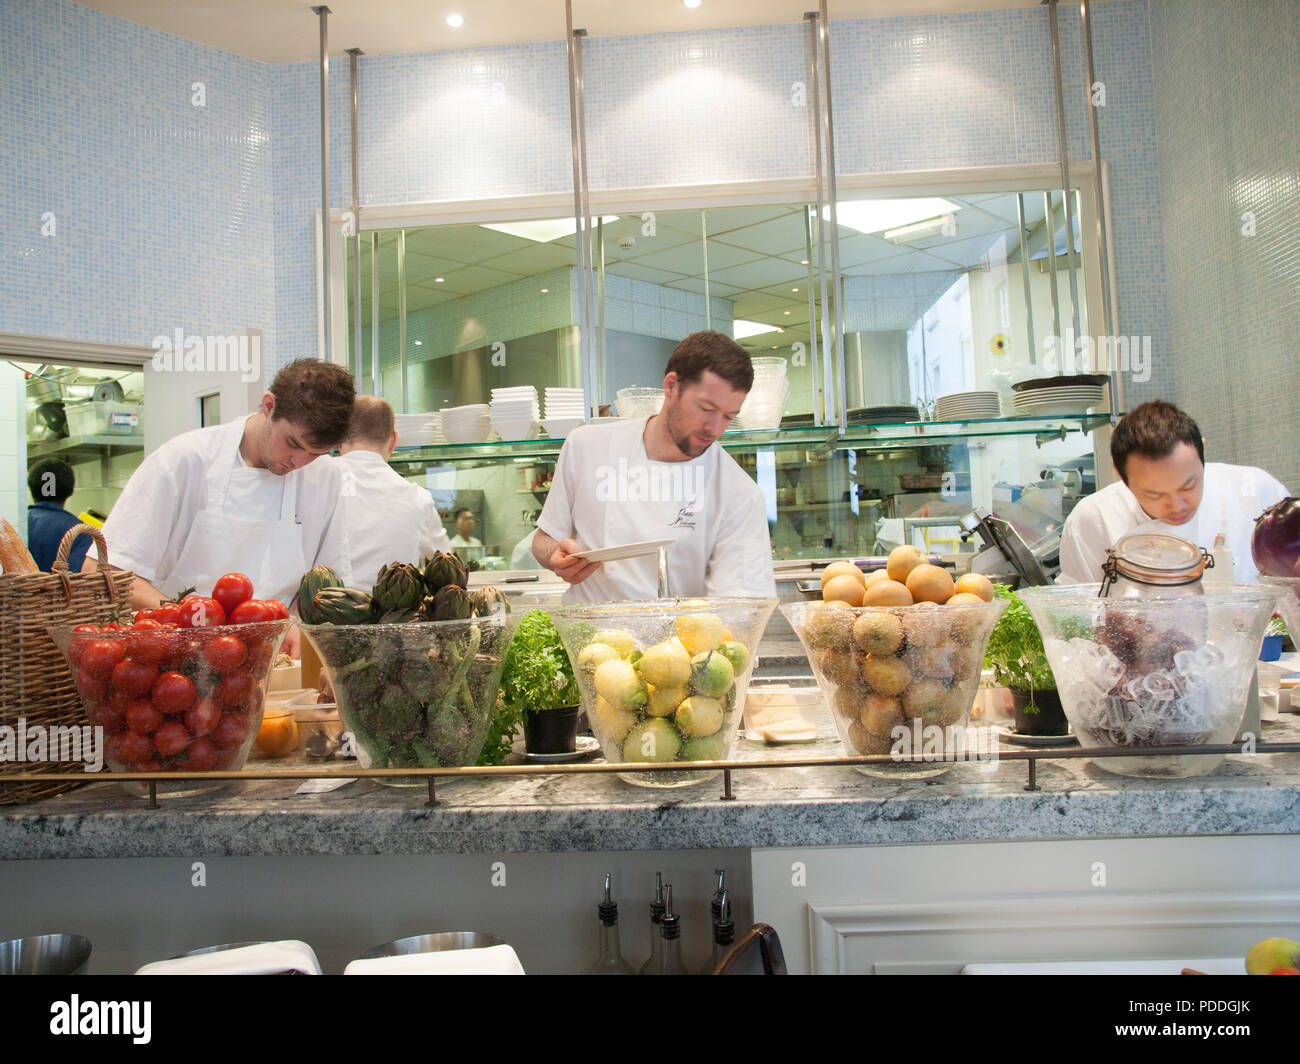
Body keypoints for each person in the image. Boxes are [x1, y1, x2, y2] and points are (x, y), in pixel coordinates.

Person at [93, 361, 357, 649]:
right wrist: (191, 621)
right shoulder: (185, 460)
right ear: (269, 406)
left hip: (274, 661)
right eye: (292, 443)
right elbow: (103, 570)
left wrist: (295, 623)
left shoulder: (327, 477)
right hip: (178, 654)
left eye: (314, 453)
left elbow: (326, 584)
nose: (299, 462)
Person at [533, 329, 778, 602]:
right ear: (671, 386)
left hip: (676, 643)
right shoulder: (586, 446)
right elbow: (543, 540)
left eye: (728, 417)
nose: (714, 428)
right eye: (706, 409)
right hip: (589, 639)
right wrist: (555, 555)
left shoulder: (740, 494)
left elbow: (740, 607)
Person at [1058, 400, 1288, 584]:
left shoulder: (1256, 491)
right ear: (1120, 474)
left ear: (1203, 453)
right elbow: (1080, 622)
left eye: (1189, 486)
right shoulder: (1093, 520)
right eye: (1154, 495)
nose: (1177, 506)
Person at [334, 395, 452, 589]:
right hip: (393, 616)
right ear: (393, 440)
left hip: (319, 614)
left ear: (339, 439)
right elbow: (446, 562)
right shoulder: (418, 498)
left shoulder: (315, 478)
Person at [26, 457, 92, 572]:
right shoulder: (80, 532)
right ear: (71, 490)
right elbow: (75, 582)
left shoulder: (14, 525)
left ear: (31, 487)